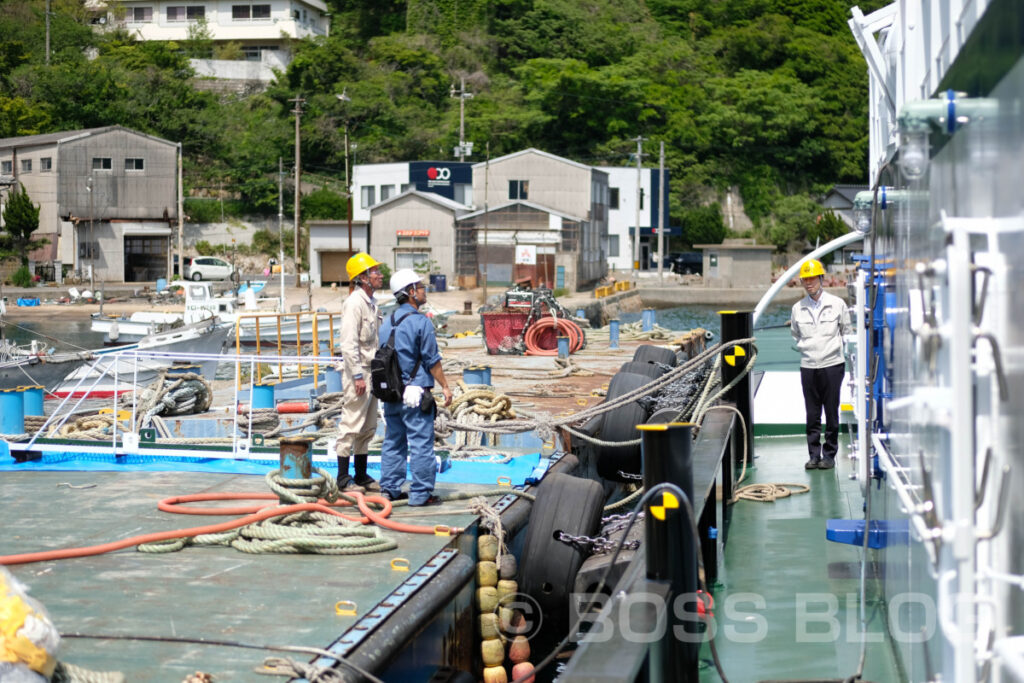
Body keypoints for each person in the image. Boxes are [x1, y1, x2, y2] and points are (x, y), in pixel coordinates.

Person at [378, 269, 453, 506]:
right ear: (411, 292)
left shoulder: (386, 322)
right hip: (416, 393)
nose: (424, 290)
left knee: (393, 441)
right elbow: (432, 360)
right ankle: (420, 494)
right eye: (420, 287)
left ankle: (389, 489)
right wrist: (446, 387)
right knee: (421, 444)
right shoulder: (421, 322)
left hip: (390, 393)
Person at [791, 258, 851, 470]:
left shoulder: (837, 304)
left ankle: (829, 454)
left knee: (831, 412)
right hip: (808, 366)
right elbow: (796, 335)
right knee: (812, 413)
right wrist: (808, 350)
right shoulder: (798, 308)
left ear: (821, 279)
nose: (809, 283)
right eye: (805, 280)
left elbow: (846, 331)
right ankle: (814, 455)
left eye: (812, 279)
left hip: (832, 365)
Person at [334, 252, 385, 492]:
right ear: (362, 277)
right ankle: (343, 479)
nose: (380, 275)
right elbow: (348, 343)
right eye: (375, 272)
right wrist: (356, 376)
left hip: (372, 372)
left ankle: (361, 475)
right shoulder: (354, 303)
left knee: (368, 426)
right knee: (352, 422)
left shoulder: (372, 303)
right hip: (359, 373)